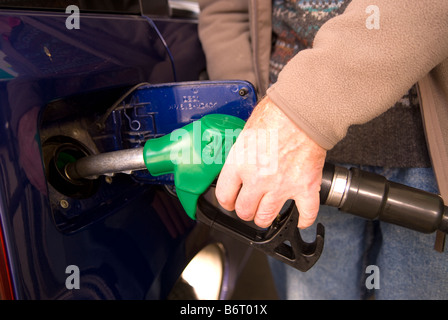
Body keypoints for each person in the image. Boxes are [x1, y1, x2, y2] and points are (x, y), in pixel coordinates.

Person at [197, 0, 448, 299]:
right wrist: (254, 112)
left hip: (432, 158)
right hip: (288, 163)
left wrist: (300, 112)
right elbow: (224, 10)